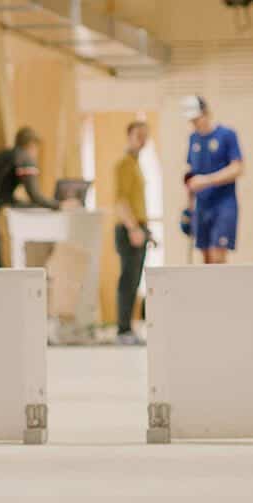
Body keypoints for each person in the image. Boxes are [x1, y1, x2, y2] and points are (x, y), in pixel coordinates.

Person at [0, 127, 64, 267]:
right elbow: (35, 196)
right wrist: (59, 205)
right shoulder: (24, 157)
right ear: (31, 145)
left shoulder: (7, 155)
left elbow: (7, 195)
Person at [181, 95, 244, 264]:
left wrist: (207, 180)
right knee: (206, 259)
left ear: (206, 112)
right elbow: (191, 175)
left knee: (218, 257)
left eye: (197, 119)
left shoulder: (227, 135)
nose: (195, 123)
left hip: (223, 204)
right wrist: (188, 209)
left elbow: (237, 168)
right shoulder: (193, 139)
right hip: (201, 206)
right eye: (192, 121)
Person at [114, 121, 150, 345]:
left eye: (145, 136)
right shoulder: (124, 164)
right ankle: (123, 330)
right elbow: (120, 200)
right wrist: (133, 228)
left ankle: (128, 328)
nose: (142, 140)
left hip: (139, 227)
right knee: (128, 280)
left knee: (135, 280)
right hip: (129, 229)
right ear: (129, 136)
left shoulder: (137, 164)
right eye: (138, 135)